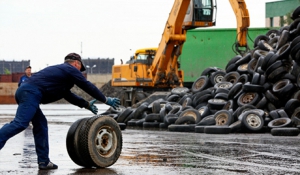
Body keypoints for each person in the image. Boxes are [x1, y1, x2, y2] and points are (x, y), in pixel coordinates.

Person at [0, 53, 120, 170]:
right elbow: (86, 85)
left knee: (41, 125)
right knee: (20, 123)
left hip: (27, 92)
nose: (80, 71)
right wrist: (105, 99)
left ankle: (44, 162)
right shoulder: (69, 69)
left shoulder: (61, 77)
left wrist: (86, 104)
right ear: (76, 63)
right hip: (30, 93)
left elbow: (67, 95)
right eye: (80, 68)